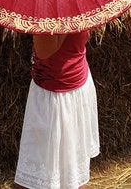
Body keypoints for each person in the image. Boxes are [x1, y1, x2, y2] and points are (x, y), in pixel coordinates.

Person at [14, 31, 100, 189]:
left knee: (33, 176)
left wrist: (49, 21)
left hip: (56, 97)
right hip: (76, 84)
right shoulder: (79, 7)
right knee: (72, 166)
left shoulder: (52, 13)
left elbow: (43, 51)